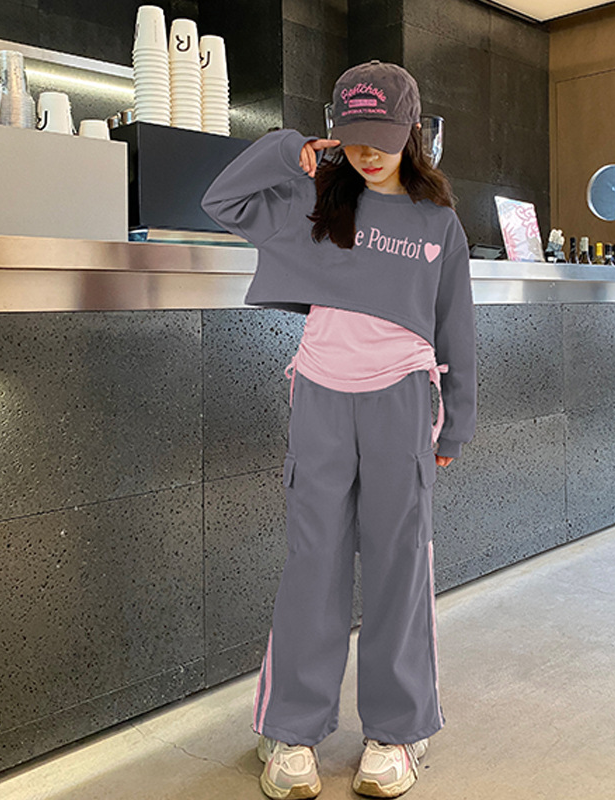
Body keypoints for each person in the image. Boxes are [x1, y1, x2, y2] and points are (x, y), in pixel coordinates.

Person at [202, 59, 477, 800]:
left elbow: (457, 327)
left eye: (381, 136)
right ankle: (290, 731)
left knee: (398, 566)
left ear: (410, 130)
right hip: (321, 398)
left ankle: (398, 730)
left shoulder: (438, 223)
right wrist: (284, 148)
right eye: (353, 137)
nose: (367, 152)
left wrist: (456, 424)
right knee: (312, 564)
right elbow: (221, 199)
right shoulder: (313, 200)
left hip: (402, 402)